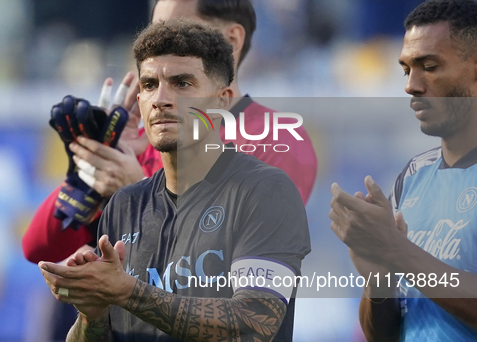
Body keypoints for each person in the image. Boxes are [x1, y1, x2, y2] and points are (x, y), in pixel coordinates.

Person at [39, 19, 311, 342]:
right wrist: (93, 310)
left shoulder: (264, 191)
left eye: (182, 83)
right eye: (149, 85)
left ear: (223, 100)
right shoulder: (123, 205)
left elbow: (253, 331)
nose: (161, 98)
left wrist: (126, 291)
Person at [22, 0, 317, 265]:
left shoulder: (277, 139)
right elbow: (39, 249)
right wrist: (86, 175)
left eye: (177, 29)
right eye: (154, 30)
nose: (159, 43)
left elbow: (227, 264)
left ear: (232, 40)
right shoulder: (145, 141)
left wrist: (137, 193)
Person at [330, 1, 477, 342]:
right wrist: (379, 275)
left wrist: (396, 252)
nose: (411, 84)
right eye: (406, 69)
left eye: (429, 67)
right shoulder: (412, 178)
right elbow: (384, 340)